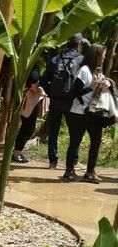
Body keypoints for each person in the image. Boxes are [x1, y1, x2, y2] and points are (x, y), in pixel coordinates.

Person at [63, 44, 110, 184]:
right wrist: (90, 88)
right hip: (78, 112)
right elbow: (73, 92)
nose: (104, 57)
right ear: (96, 55)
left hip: (93, 113)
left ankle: (90, 172)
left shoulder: (98, 72)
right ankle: (69, 171)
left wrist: (104, 85)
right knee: (75, 142)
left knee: (96, 142)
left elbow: (97, 91)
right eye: (103, 54)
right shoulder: (84, 70)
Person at [41, 33, 86, 169]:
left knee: (53, 131)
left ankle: (52, 161)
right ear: (78, 45)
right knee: (74, 132)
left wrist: (51, 93)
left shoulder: (55, 59)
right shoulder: (81, 60)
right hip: (71, 102)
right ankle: (73, 160)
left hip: (55, 100)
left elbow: (43, 81)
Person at [11, 70, 48, 164]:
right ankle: (16, 153)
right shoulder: (33, 71)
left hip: (29, 105)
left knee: (26, 129)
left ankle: (17, 152)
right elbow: (34, 85)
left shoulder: (30, 70)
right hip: (30, 105)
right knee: (27, 129)